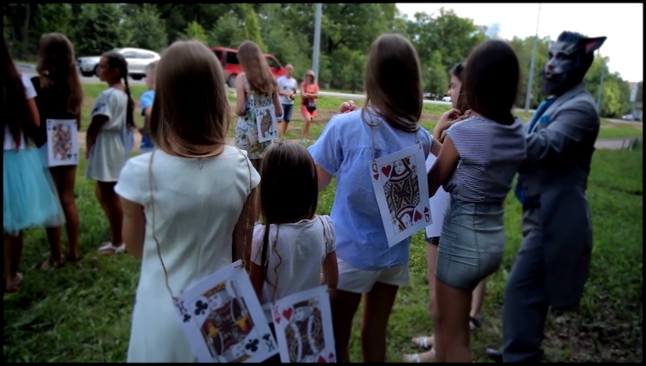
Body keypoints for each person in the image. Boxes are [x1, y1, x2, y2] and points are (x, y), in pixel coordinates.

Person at [115, 40, 259, 362]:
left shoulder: (141, 172)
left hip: (161, 309)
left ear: (164, 97)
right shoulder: (242, 167)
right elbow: (242, 249)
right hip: (223, 309)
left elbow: (136, 246)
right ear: (218, 96)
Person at [308, 33, 437, 363]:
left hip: (348, 254)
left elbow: (316, 182)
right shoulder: (419, 136)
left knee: (336, 334)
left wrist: (336, 126)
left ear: (371, 76)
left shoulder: (344, 127)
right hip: (394, 254)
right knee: (374, 331)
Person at [486, 31, 607, 363]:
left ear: (582, 62)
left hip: (555, 220)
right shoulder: (555, 103)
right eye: (550, 55)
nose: (551, 64)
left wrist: (499, 113)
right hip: (538, 213)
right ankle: (520, 348)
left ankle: (521, 355)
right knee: (531, 292)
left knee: (521, 289)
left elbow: (540, 148)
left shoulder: (581, 108)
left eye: (562, 57)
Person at [426, 40, 526, 363]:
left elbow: (429, 186)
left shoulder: (464, 132)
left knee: (457, 343)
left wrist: (434, 135)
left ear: (475, 83)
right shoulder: (517, 131)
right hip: (493, 241)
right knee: (454, 329)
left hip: (460, 246)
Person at [404, 62, 489, 363]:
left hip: (443, 220)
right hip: (466, 222)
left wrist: (438, 130)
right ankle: (439, 341)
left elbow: (431, 176)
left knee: (441, 291)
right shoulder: (486, 126)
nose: (448, 91)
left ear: (465, 90)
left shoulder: (460, 130)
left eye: (452, 85)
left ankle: (440, 350)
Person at [249, 140, 338, 362]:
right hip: (309, 322)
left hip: (272, 328)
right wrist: (305, 279)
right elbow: (332, 281)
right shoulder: (325, 228)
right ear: (310, 186)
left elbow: (254, 295)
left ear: (269, 188)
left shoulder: (262, 237)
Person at [3, 36, 64, 292]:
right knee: (13, 222)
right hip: (14, 154)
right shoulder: (19, 80)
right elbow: (36, 121)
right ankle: (10, 276)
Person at [30, 32, 84, 270]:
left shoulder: (37, 84)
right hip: (67, 140)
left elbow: (33, 120)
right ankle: (73, 251)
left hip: (45, 144)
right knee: (67, 199)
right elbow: (79, 120)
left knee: (52, 201)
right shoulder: (73, 84)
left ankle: (56, 256)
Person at [85, 50, 135, 255]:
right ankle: (118, 232)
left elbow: (98, 122)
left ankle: (118, 241)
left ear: (115, 71)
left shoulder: (109, 95)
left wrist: (89, 145)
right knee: (104, 192)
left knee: (109, 195)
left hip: (106, 146)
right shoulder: (123, 93)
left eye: (103, 66)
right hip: (115, 145)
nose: (99, 69)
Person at [234, 40, 283, 172]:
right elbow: (279, 112)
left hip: (247, 135)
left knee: (247, 174)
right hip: (266, 133)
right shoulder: (270, 79)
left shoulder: (242, 78)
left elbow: (240, 110)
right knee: (263, 173)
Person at [138, 61, 157, 154]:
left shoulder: (148, 96)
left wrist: (147, 129)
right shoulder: (173, 95)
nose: (145, 79)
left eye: (146, 76)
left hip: (150, 144)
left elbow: (149, 113)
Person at [276, 64, 298, 138]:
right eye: (288, 69)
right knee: (279, 120)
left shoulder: (294, 81)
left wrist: (294, 95)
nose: (289, 71)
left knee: (287, 120)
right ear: (285, 70)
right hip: (281, 102)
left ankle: (283, 135)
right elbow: (278, 91)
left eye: (291, 69)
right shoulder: (280, 80)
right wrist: (287, 94)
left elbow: (294, 91)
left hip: (290, 103)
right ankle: (276, 135)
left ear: (293, 70)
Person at [299, 70, 319, 143]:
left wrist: (308, 94)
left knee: (309, 122)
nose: (308, 77)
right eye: (307, 75)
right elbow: (302, 95)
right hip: (305, 104)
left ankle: (306, 138)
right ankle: (302, 137)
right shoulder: (303, 85)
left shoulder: (315, 86)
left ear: (312, 77)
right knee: (307, 119)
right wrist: (311, 95)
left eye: (310, 76)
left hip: (312, 106)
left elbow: (317, 95)